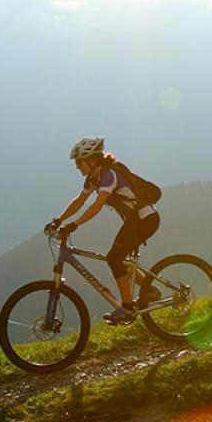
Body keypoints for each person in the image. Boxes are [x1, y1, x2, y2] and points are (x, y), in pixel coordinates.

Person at [48, 136, 161, 325]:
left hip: (145, 219)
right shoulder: (93, 178)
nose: (77, 167)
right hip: (136, 221)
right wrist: (58, 220)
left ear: (92, 160)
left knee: (114, 258)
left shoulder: (109, 175)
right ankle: (150, 290)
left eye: (79, 162)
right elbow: (79, 201)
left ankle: (127, 307)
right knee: (120, 261)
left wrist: (74, 225)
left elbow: (97, 205)